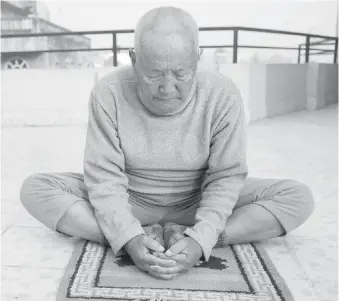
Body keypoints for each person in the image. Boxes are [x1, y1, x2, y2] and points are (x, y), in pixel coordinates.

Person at [20, 6, 314, 281]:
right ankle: (129, 234)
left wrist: (203, 238)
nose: (167, 88)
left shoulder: (223, 95)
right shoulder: (108, 93)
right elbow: (104, 178)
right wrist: (128, 236)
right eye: (153, 74)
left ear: (198, 59)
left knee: (297, 197)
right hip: (131, 200)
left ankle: (198, 235)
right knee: (36, 189)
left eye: (181, 74)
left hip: (196, 200)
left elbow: (226, 177)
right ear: (133, 60)